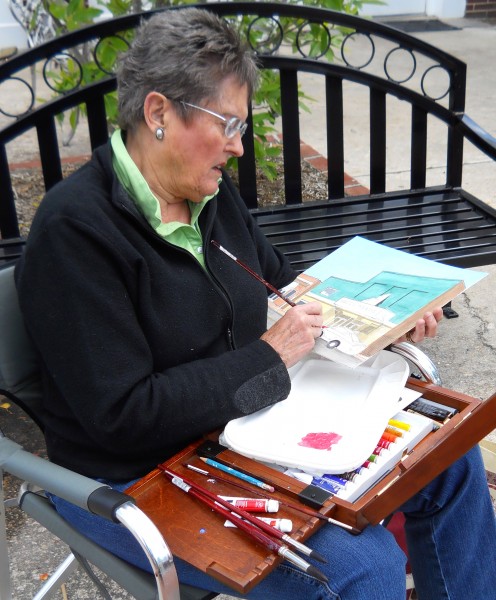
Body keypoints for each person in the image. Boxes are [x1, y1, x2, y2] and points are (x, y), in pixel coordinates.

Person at [15, 8, 496, 600]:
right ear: (159, 111)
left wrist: (378, 320)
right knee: (359, 568)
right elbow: (122, 416)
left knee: (449, 462)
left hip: (248, 429)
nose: (240, 148)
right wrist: (269, 356)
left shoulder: (204, 194)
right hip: (139, 476)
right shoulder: (75, 234)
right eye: (228, 124)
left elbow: (279, 286)